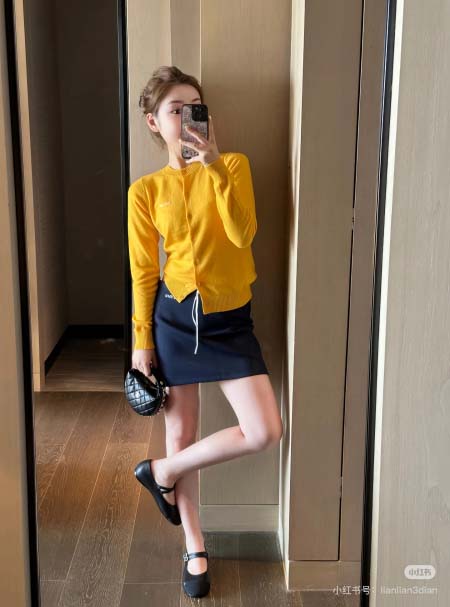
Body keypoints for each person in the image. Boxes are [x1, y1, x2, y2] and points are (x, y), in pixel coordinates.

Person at [128, 65, 283, 599]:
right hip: (174, 321)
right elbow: (143, 272)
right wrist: (141, 342)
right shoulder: (145, 192)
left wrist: (214, 165)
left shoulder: (234, 165)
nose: (188, 117)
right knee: (182, 433)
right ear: (154, 122)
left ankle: (162, 472)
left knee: (264, 430)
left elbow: (243, 234)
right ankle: (194, 547)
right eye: (175, 109)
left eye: (196, 107)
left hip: (230, 320)